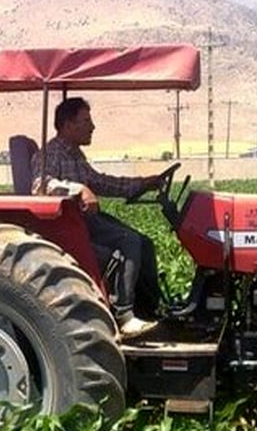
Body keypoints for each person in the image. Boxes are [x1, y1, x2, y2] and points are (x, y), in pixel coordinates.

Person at [31, 97, 165, 340]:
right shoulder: (50, 153)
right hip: (69, 225)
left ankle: (151, 308)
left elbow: (101, 182)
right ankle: (124, 314)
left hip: (85, 221)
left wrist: (143, 183)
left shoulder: (75, 155)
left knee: (144, 243)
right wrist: (78, 189)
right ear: (68, 124)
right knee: (129, 241)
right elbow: (41, 185)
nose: (92, 127)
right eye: (86, 120)